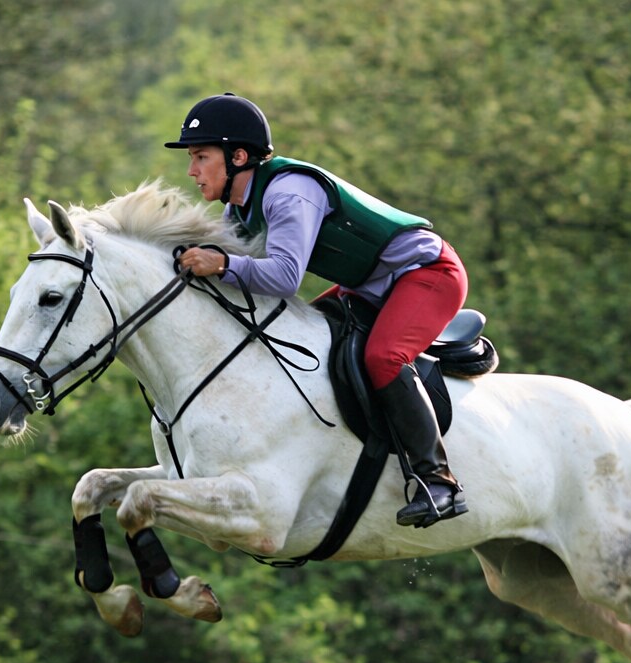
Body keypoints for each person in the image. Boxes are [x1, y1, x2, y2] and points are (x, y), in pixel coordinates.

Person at [165, 93, 469, 528]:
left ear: (237, 156)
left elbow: (285, 277)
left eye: (200, 156)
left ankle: (438, 482)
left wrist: (225, 264)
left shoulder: (288, 192)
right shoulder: (238, 205)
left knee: (383, 357)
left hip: (426, 273)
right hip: (369, 283)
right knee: (298, 334)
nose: (192, 170)